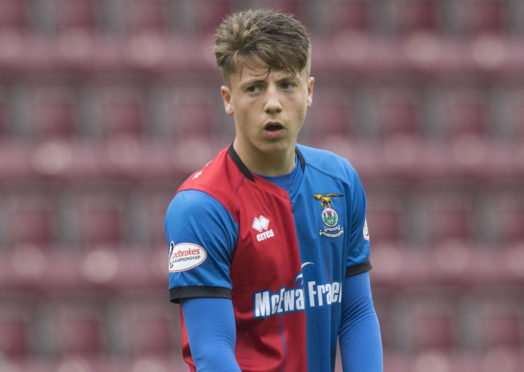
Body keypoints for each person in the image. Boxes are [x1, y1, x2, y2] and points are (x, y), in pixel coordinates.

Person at [165, 9, 383, 372]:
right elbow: (212, 351)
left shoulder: (340, 181)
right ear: (227, 98)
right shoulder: (201, 206)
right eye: (254, 88)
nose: (273, 103)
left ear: (308, 91)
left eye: (286, 84)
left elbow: (357, 313)